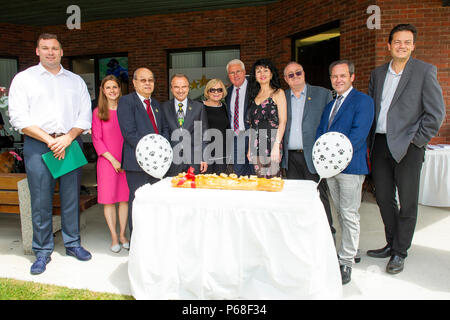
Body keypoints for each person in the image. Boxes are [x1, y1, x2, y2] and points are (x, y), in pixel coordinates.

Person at [8, 33, 93, 275]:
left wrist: (66, 138)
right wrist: (49, 139)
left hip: (68, 142)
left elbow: (84, 116)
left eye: (55, 48)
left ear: (62, 51)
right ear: (37, 51)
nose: (50, 52)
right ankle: (42, 251)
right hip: (38, 145)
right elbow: (19, 118)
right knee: (41, 200)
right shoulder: (24, 79)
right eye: (45, 48)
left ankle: (73, 243)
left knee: (70, 198)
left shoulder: (75, 81)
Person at [367, 24, 445, 274]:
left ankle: (400, 251)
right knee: (383, 198)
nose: (402, 46)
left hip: (409, 146)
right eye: (397, 41)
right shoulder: (378, 74)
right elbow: (373, 109)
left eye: (407, 42)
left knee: (408, 201)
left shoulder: (424, 71)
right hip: (380, 143)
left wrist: (417, 141)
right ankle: (392, 243)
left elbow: (436, 114)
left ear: (413, 45)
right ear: (388, 45)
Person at [316, 60, 374, 285]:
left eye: (342, 76)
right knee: (341, 212)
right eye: (334, 76)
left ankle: (346, 261)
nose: (338, 80)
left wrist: (336, 157)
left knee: (349, 214)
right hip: (331, 169)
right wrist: (325, 160)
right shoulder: (331, 105)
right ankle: (350, 248)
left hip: (350, 167)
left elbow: (359, 134)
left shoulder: (363, 101)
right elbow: (322, 132)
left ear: (352, 77)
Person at [281, 61, 336, 239]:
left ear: (304, 73)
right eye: (291, 75)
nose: (295, 76)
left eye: (298, 72)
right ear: (285, 79)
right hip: (291, 157)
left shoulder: (322, 94)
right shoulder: (282, 96)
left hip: (314, 155)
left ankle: (327, 235)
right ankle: (302, 236)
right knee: (296, 198)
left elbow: (331, 125)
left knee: (320, 197)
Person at [117, 67, 169, 236]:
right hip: (137, 163)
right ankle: (136, 241)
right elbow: (129, 133)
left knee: (155, 202)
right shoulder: (126, 102)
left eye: (150, 80)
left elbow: (164, 129)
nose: (147, 83)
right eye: (143, 80)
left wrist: (163, 149)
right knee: (139, 202)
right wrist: (151, 152)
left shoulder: (156, 104)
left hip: (158, 164)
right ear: (134, 83)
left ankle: (153, 238)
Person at [92, 75, 130, 253]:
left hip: (126, 160)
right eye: (108, 87)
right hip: (107, 162)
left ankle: (123, 234)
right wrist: (114, 160)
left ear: (119, 89)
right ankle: (114, 236)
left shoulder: (126, 109)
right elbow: (97, 140)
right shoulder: (98, 111)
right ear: (103, 90)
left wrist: (124, 159)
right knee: (109, 201)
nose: (112, 91)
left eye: (115, 87)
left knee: (124, 200)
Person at [161, 74, 208, 176]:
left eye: (184, 86)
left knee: (192, 190)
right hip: (171, 161)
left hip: (193, 160)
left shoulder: (198, 107)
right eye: (176, 87)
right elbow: (163, 133)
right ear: (171, 89)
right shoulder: (163, 108)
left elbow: (203, 133)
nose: (180, 90)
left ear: (188, 88)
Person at [246, 58, 287, 178]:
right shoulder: (253, 95)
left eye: (265, 70)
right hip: (256, 144)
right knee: (260, 181)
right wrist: (249, 148)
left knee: (272, 180)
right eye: (258, 71)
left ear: (271, 74)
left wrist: (276, 146)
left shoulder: (278, 93)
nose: (262, 74)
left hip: (272, 143)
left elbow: (283, 121)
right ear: (255, 75)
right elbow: (252, 125)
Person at [225, 59, 254, 177]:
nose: (235, 75)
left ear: (244, 72)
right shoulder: (228, 92)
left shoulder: (255, 89)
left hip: (254, 136)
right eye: (232, 73)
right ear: (228, 75)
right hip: (237, 138)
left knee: (255, 173)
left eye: (238, 71)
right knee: (239, 174)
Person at [203, 78, 230, 175]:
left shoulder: (225, 107)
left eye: (219, 90)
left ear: (223, 92)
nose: (216, 92)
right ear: (207, 92)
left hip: (221, 155)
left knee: (219, 183)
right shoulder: (200, 107)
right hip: (205, 155)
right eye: (212, 90)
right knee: (205, 184)